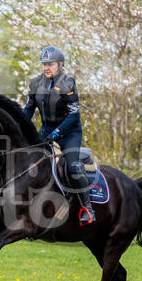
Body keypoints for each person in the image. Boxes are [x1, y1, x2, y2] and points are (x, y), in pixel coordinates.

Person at [23, 46, 96, 225]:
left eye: (51, 64)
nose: (47, 67)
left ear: (60, 65)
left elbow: (73, 116)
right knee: (28, 162)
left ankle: (88, 208)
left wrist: (57, 133)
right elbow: (28, 110)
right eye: (44, 64)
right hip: (46, 131)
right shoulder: (35, 84)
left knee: (72, 166)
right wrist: (20, 126)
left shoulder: (68, 83)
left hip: (69, 132)